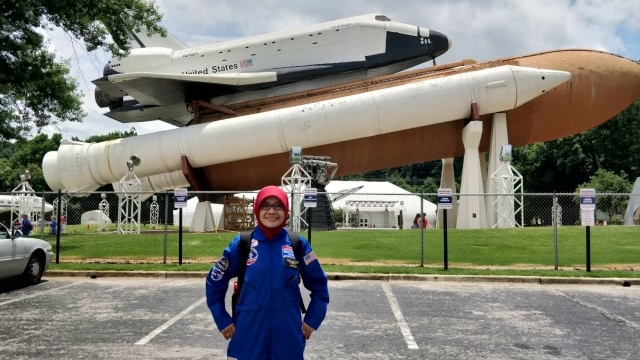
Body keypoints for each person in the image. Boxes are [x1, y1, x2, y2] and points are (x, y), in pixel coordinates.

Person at [206, 185, 330, 359]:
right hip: (249, 333)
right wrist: (222, 319)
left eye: (278, 205)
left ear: (286, 211)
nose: (271, 211)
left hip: (288, 335)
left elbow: (320, 285)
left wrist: (312, 319)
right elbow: (214, 280)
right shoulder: (242, 244)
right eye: (266, 205)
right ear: (257, 210)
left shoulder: (297, 244)